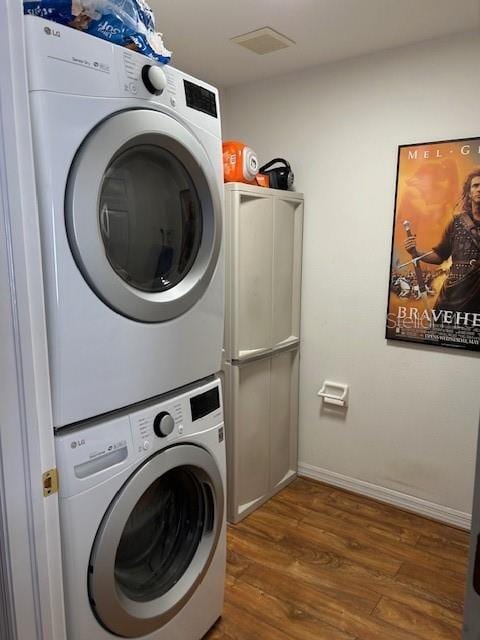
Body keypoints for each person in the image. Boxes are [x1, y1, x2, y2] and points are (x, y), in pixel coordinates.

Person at [404, 167, 480, 313]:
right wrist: (415, 251)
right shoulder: (457, 222)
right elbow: (440, 256)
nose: (479, 189)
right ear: (469, 193)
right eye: (475, 186)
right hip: (455, 292)